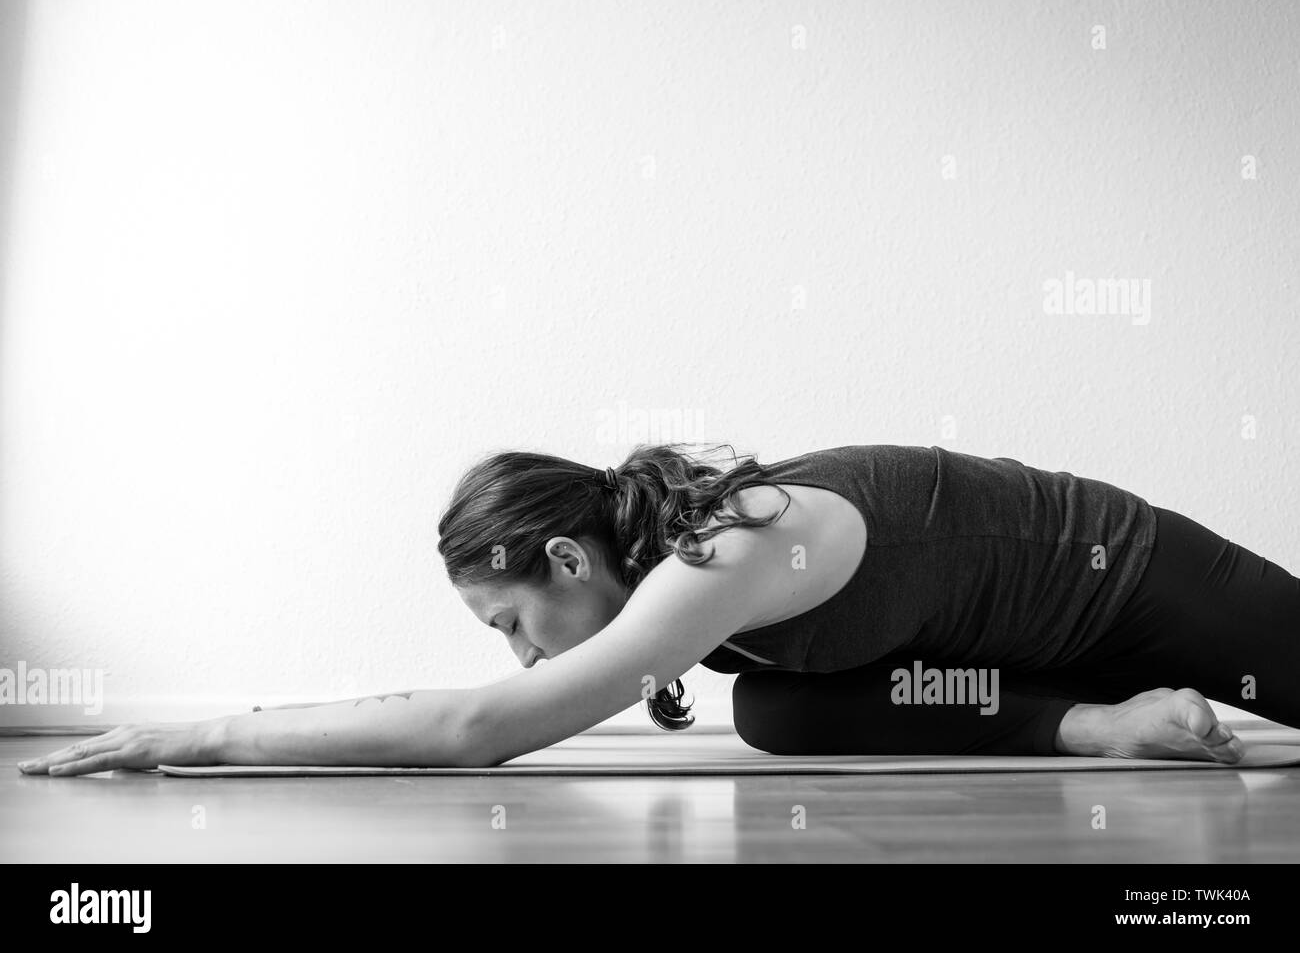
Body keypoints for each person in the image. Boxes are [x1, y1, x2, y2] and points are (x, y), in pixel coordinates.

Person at [21, 443, 1296, 777]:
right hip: (1035, 658)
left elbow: (481, 728)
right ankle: (1094, 729)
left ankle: (1108, 712)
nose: (520, 655)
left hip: (1134, 582)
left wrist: (201, 736)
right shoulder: (693, 592)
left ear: (572, 559)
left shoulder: (728, 553)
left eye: (510, 617)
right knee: (781, 710)